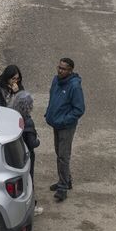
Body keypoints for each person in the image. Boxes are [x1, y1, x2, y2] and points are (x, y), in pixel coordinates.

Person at [45, 57, 85, 202]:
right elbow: (52, 98)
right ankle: (66, 180)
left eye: (64, 69)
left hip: (66, 127)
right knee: (59, 152)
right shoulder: (56, 80)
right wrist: (49, 112)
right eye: (59, 67)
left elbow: (79, 109)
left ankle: (63, 188)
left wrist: (63, 120)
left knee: (63, 156)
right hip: (56, 124)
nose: (60, 70)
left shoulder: (74, 86)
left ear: (70, 70)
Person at [6, 76, 39, 177]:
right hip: (26, 154)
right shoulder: (28, 121)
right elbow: (32, 143)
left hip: (13, 152)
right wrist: (38, 141)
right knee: (28, 177)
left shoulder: (12, 116)